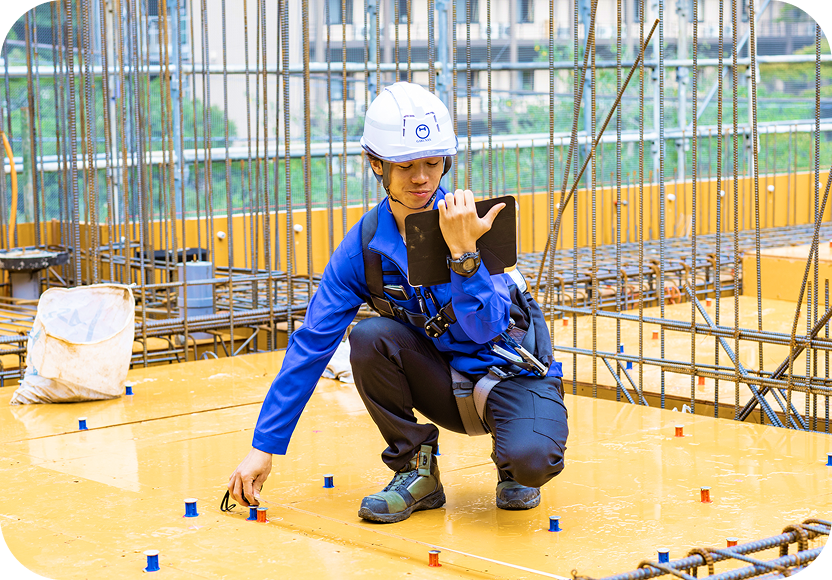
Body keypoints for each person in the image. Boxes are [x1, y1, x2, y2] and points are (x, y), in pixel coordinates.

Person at [228, 81, 568, 524]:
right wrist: (264, 446)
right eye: (405, 166)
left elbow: (488, 328)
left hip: (508, 375)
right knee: (368, 337)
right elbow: (312, 344)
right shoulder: (363, 249)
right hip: (442, 381)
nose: (422, 178)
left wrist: (465, 257)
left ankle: (512, 458)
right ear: (375, 164)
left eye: (432, 163)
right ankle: (416, 470)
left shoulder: (475, 224)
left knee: (532, 461)